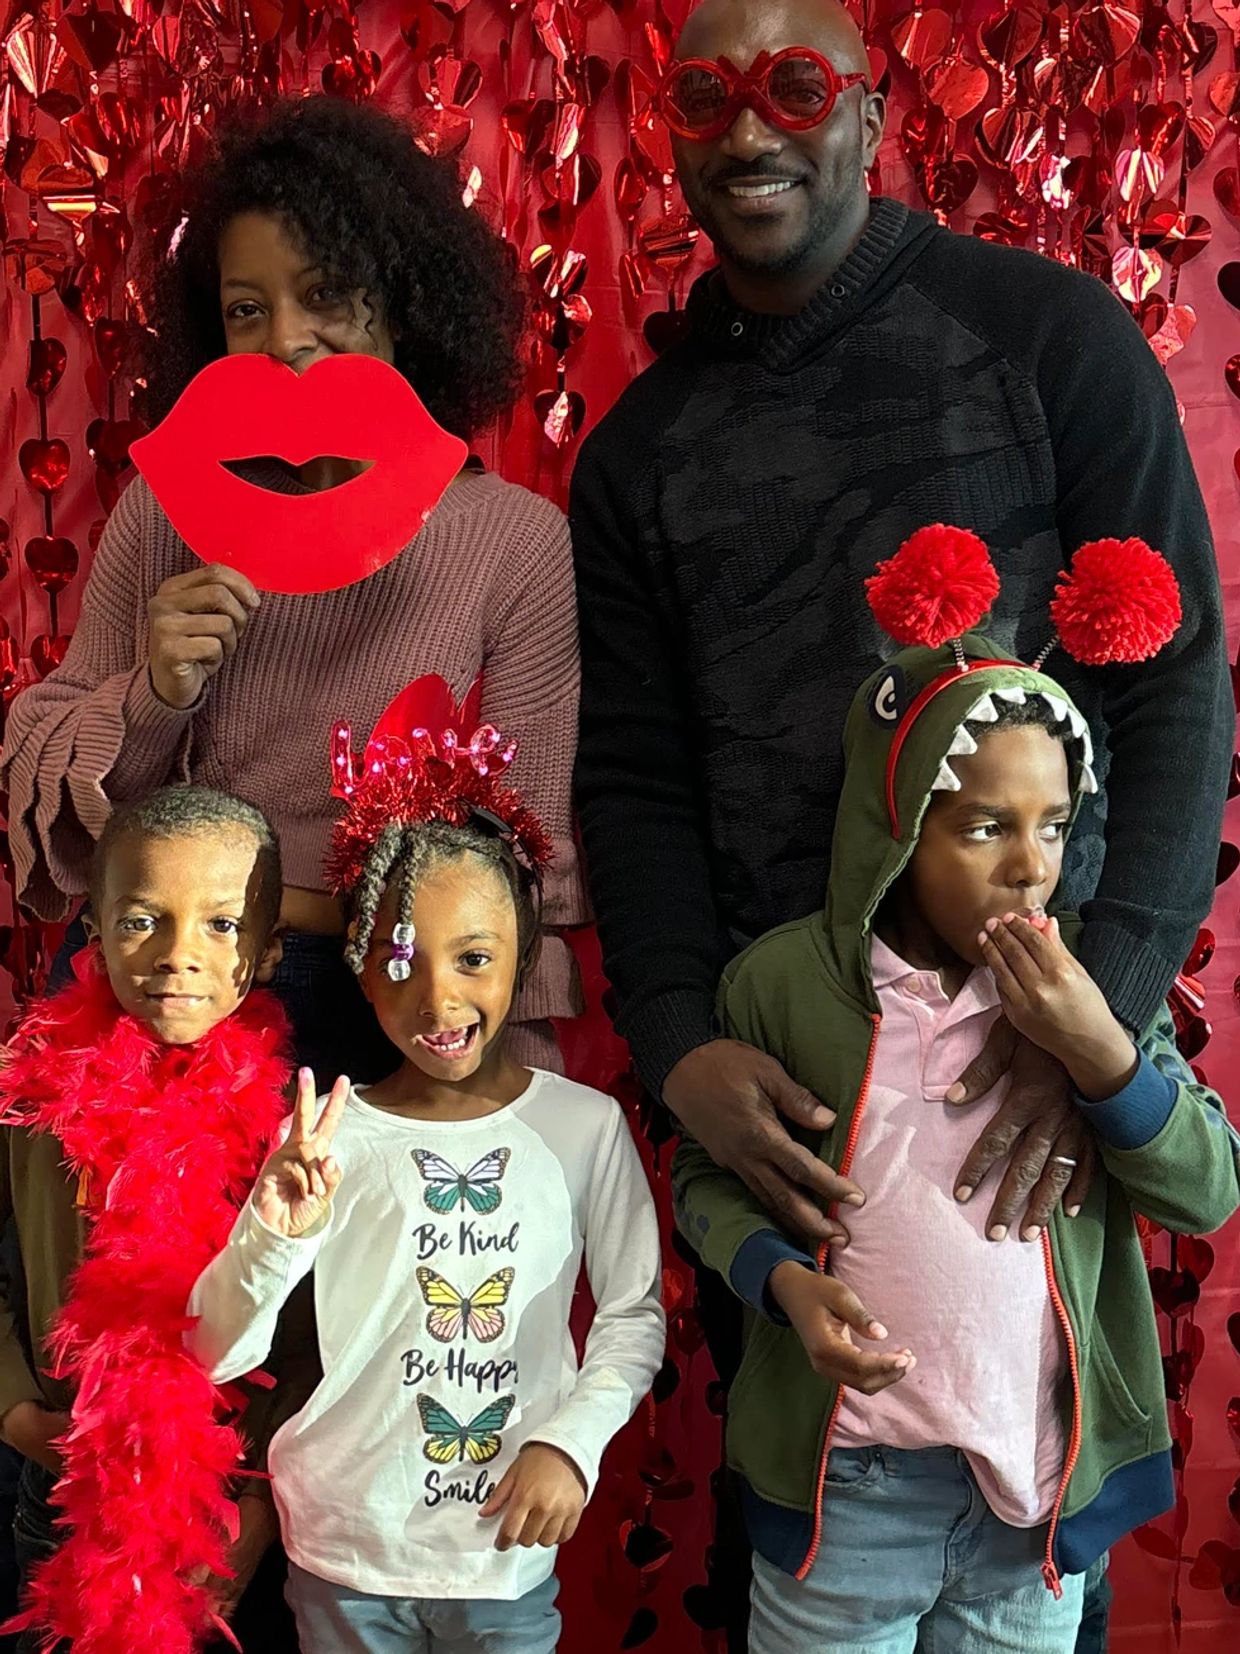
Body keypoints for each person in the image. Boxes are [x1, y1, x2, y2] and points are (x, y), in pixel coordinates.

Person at [570, 0, 1232, 1640]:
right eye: (705, 95)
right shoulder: (639, 455)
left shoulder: (1052, 342)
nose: (748, 131)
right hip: (795, 1124)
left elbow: (1178, 695)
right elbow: (634, 782)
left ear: (871, 113)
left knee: (1019, 1565)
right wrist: (678, 1045)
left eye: (793, 85)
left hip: (1026, 1100)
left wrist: (1097, 1023)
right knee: (814, 1557)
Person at [671, 528, 1240, 1653]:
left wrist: (1099, 1051)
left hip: (1029, 1501)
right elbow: (706, 1172)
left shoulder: (1093, 990)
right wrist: (782, 1281)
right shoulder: (783, 986)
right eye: (985, 828)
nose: (1031, 865)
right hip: (847, 1496)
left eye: (1053, 826)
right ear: (895, 826)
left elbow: (1207, 1190)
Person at [1, 93, 587, 1089]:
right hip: (187, 980)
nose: (286, 339)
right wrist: (157, 692)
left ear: (403, 304)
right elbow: (63, 801)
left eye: (327, 294)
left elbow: (525, 859)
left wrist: (516, 1093)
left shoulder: (514, 542)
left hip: (392, 989)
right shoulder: (165, 512)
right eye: (247, 309)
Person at [184, 708, 666, 1654]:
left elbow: (633, 1313)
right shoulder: (326, 1133)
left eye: (474, 959)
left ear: (524, 954)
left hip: (503, 1553)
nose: (439, 997)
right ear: (362, 972)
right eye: (401, 959)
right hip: (343, 1553)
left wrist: (570, 1444)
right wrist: (274, 1233)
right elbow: (214, 1352)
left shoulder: (583, 1128)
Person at [0, 787, 297, 1653]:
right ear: (94, 936)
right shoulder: (31, 1097)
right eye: (141, 921)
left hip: (234, 1495)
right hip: (64, 1482)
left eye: (221, 925)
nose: (177, 955)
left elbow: (323, 1320)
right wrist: (12, 1407)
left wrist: (260, 1501)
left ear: (268, 952)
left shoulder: (295, 1122)